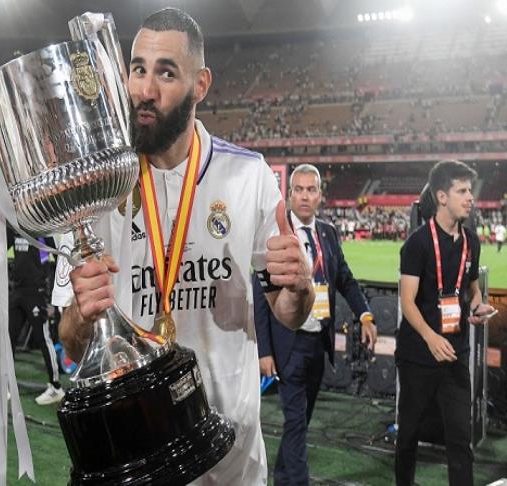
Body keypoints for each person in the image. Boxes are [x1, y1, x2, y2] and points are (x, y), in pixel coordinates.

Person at [52, 8, 313, 485]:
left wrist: (299, 285)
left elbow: (290, 314)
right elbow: (71, 340)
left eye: (167, 73)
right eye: (138, 69)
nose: (146, 90)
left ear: (201, 84)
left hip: (231, 463)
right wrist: (82, 315)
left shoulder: (248, 175)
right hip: (137, 457)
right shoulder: (95, 189)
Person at [252, 164, 377, 485]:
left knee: (301, 421)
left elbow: (345, 279)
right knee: (295, 421)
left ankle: (283, 477)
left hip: (318, 341)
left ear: (321, 195)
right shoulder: (275, 236)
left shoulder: (328, 233)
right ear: (289, 194)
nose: (305, 196)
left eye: (311, 189)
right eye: (299, 189)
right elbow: (261, 297)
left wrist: (365, 314)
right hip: (288, 343)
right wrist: (264, 351)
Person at [395, 160, 495, 486]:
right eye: (462, 191)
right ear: (441, 196)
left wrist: (478, 307)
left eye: (470, 190)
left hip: (455, 355)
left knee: (460, 442)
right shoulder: (417, 243)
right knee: (408, 435)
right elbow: (407, 301)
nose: (470, 197)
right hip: (418, 356)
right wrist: (430, 337)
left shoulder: (472, 242)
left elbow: (472, 289)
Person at [8, 231, 64, 405]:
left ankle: (56, 387)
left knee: (43, 339)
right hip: (17, 291)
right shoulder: (13, 226)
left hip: (36, 292)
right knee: (8, 338)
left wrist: (57, 293)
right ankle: (6, 384)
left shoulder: (40, 227)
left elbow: (58, 256)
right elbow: (0, 247)